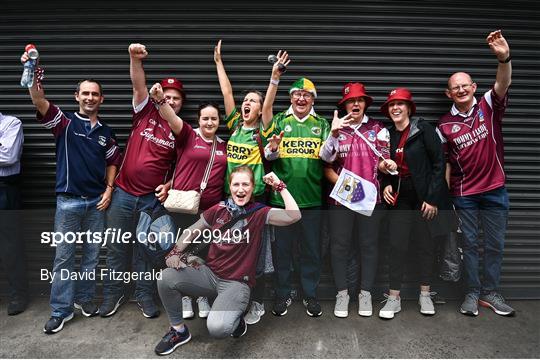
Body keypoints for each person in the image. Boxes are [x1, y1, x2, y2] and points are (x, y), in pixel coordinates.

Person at [21, 50, 121, 333]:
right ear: (77, 96)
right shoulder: (63, 124)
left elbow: (114, 160)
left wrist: (109, 188)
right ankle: (61, 310)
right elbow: (39, 101)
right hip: (68, 203)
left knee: (91, 256)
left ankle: (85, 300)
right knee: (64, 257)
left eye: (95, 94)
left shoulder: (106, 131)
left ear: (102, 99)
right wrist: (32, 72)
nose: (90, 98)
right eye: (85, 93)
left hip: (96, 204)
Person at [154, 166, 301, 356]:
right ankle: (179, 331)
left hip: (237, 283)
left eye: (245, 184)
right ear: (229, 187)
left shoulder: (259, 213)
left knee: (217, 328)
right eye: (236, 184)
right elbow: (191, 231)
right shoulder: (219, 209)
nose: (241, 189)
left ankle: (236, 316)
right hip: (210, 275)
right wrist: (174, 252)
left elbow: (294, 216)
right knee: (166, 278)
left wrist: (279, 186)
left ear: (252, 187)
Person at [101, 43, 183, 319]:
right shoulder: (144, 112)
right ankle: (113, 293)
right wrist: (135, 60)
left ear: (180, 104)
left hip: (150, 200)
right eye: (167, 96)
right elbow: (138, 85)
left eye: (176, 99)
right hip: (123, 193)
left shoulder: (179, 130)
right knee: (116, 245)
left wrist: (170, 183)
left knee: (145, 250)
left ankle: (144, 295)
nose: (170, 101)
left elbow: (185, 165)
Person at [437, 30, 514, 317]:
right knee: (469, 245)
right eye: (454, 87)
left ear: (473, 87)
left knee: (494, 244)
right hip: (464, 194)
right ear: (449, 93)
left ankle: (490, 293)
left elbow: (503, 83)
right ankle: (471, 293)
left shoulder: (488, 106)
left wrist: (503, 58)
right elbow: (445, 164)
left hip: (495, 188)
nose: (460, 90)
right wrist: (444, 199)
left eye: (464, 85)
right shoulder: (443, 125)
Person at [213, 40, 283, 325]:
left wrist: (274, 79)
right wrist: (218, 62)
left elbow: (268, 106)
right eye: (247, 101)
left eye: (253, 101)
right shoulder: (234, 127)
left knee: (257, 254)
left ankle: (255, 302)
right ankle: (230, 296)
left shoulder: (264, 131)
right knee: (232, 251)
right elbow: (227, 92)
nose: (247, 104)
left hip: (255, 203)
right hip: (231, 201)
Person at [149, 82, 228, 322]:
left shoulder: (224, 146)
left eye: (214, 118)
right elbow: (171, 118)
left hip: (209, 211)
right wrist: (161, 101)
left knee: (200, 253)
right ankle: (184, 295)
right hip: (182, 208)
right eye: (205, 118)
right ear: (199, 119)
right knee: (179, 251)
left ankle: (200, 295)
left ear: (218, 120)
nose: (209, 123)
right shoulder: (187, 135)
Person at [319, 82, 395, 318]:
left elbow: (382, 163)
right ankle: (342, 294)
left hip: (370, 201)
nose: (355, 104)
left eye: (359, 100)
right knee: (339, 247)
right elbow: (325, 162)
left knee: (369, 247)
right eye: (350, 101)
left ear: (365, 104)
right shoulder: (336, 128)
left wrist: (388, 165)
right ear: (345, 105)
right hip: (341, 201)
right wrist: (333, 133)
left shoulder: (378, 128)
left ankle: (365, 294)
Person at [262, 57, 330, 317]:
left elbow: (328, 157)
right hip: (282, 202)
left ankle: (310, 295)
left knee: (312, 251)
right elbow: (269, 156)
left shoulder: (322, 124)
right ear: (291, 98)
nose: (301, 99)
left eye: (306, 95)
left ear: (313, 99)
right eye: (297, 94)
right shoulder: (279, 121)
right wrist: (274, 148)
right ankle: (282, 294)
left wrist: (333, 137)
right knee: (283, 252)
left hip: (312, 200)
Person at [379, 88, 453, 319]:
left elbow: (439, 165)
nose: (396, 108)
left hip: (424, 198)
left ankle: (425, 294)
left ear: (409, 108)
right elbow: (381, 165)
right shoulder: (386, 134)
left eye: (401, 104)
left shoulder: (424, 130)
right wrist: (385, 184)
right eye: (392, 105)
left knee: (425, 246)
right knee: (396, 245)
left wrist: (432, 198)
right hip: (400, 198)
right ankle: (394, 298)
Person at [0, 112, 28, 315]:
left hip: (5, 189)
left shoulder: (11, 123)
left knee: (10, 245)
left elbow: (9, 156)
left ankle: (18, 294)